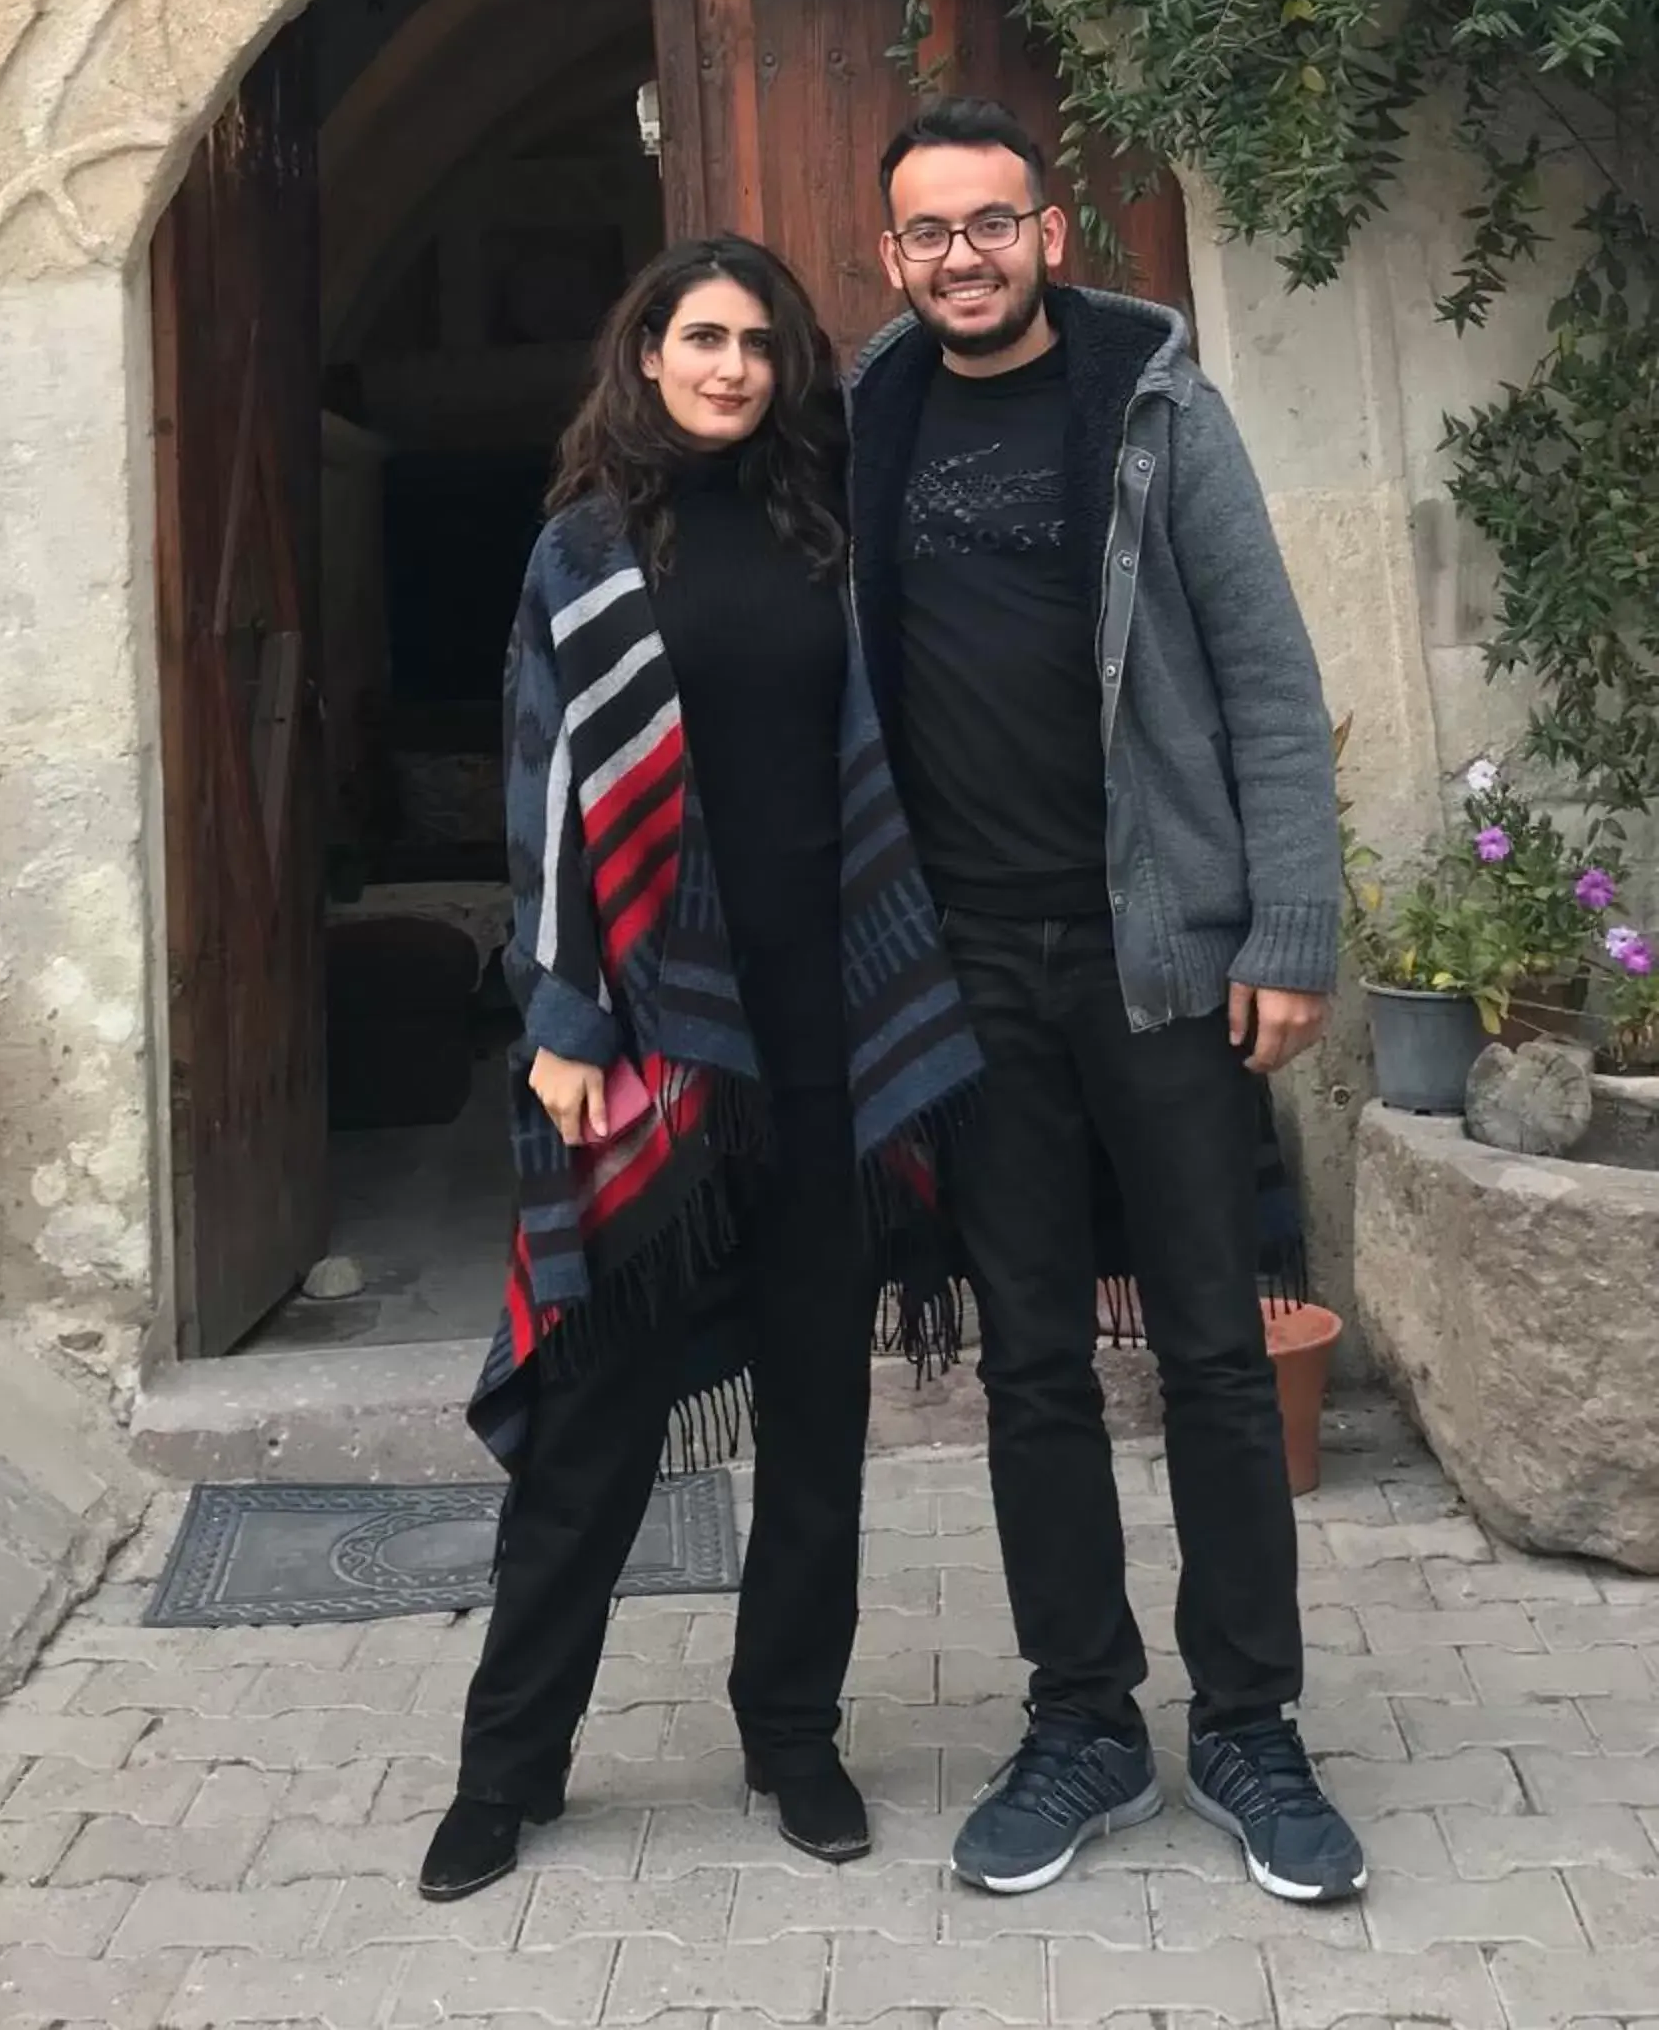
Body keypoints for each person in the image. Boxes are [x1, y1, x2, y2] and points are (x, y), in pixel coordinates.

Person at [419, 234, 981, 1906]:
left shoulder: (830, 538)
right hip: (655, 1046)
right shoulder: (583, 553)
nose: (733, 366)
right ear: (646, 354)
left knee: (819, 1418)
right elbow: (546, 798)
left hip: (823, 1038)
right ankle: (505, 1771)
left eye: (759, 344)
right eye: (703, 338)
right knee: (596, 1422)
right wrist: (563, 1021)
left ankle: (792, 1739)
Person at [848, 97, 1366, 1909]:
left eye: (991, 226)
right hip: (969, 969)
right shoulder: (864, 422)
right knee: (1033, 1364)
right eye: (928, 234)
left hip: (1156, 958)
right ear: (888, 255)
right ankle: (1080, 1719)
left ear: (1047, 234)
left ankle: (1249, 1724)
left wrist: (1287, 928)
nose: (962, 259)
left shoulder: (1152, 402)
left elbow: (1268, 679)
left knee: (1217, 1354)